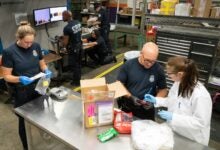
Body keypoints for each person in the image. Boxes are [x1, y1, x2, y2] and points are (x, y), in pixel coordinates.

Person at [2, 21, 52, 150]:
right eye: (26, 42)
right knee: (24, 121)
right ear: (18, 38)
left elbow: (42, 64)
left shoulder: (35, 46)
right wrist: (19, 79)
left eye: (31, 42)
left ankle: (45, 137)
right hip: (22, 91)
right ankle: (27, 146)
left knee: (41, 113)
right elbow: (6, 76)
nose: (29, 45)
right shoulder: (9, 52)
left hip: (38, 87)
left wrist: (46, 70)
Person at [144, 56, 212, 146]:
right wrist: (156, 100)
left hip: (192, 139)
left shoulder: (200, 95)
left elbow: (200, 122)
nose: (168, 76)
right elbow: (172, 101)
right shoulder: (178, 83)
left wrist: (173, 117)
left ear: (180, 74)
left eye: (169, 74)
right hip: (175, 132)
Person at [117, 42, 168, 120]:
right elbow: (119, 84)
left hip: (147, 111)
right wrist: (130, 97)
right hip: (128, 108)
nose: (149, 64)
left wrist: (154, 101)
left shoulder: (158, 69)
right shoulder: (128, 65)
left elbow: (163, 90)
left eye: (153, 61)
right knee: (126, 130)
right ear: (141, 53)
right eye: (147, 60)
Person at [62, 10, 82, 86]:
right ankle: (78, 79)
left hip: (74, 49)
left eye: (63, 16)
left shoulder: (66, 28)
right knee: (79, 64)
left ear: (67, 16)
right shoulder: (78, 22)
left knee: (74, 65)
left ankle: (76, 82)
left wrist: (62, 42)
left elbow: (65, 43)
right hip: (80, 46)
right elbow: (76, 33)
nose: (62, 17)